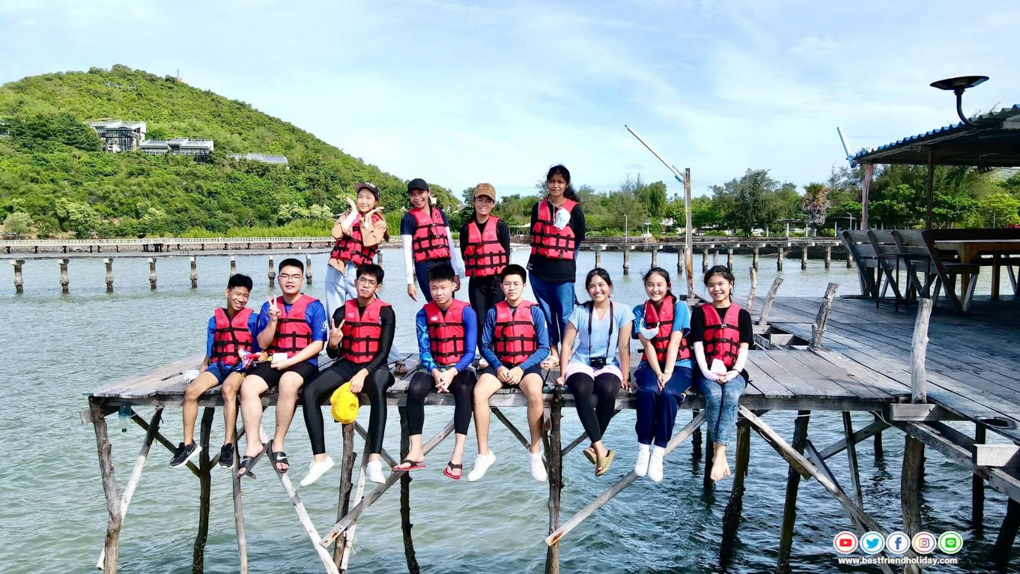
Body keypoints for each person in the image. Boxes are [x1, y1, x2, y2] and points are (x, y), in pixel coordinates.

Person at [299, 264, 395, 486]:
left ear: (378, 287)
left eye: (371, 282)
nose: (365, 285)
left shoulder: (386, 312)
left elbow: (384, 352)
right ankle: (320, 458)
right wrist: (333, 343)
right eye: (362, 280)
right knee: (309, 392)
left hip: (375, 367)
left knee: (377, 389)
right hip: (348, 363)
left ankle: (374, 461)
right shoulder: (341, 312)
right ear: (355, 282)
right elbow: (333, 354)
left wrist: (363, 373)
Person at [236, 258, 327, 478]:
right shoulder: (269, 306)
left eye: (295, 277)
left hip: (303, 361)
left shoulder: (314, 307)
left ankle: (278, 443)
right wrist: (273, 321)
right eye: (285, 276)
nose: (290, 281)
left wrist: (290, 362)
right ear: (278, 279)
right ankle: (253, 444)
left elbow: (318, 344)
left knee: (288, 382)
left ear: (302, 280)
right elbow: (262, 344)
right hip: (274, 358)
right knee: (248, 386)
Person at [468, 264, 550, 482]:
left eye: (516, 284)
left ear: (524, 286)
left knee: (535, 392)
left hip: (526, 366)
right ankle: (484, 453)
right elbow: (485, 345)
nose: (511, 288)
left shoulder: (535, 312)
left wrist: (521, 368)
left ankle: (535, 452)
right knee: (479, 392)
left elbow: (544, 348)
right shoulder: (493, 312)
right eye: (507, 284)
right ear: (502, 287)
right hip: (501, 364)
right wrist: (499, 367)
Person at [171, 273, 258, 469]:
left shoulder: (253, 319)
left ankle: (228, 445)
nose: (241, 299)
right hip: (218, 366)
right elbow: (210, 352)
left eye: (245, 296)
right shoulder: (214, 321)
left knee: (228, 390)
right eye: (237, 294)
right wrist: (201, 371)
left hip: (241, 367)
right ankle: (188, 444)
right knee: (191, 391)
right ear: (227, 292)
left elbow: (259, 347)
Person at [401, 263, 477, 479]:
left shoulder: (467, 312)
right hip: (433, 366)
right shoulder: (423, 314)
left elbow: (470, 352)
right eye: (434, 288)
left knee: (464, 389)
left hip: (460, 367)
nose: (439, 293)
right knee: (415, 389)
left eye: (443, 287)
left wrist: (452, 372)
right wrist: (435, 372)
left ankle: (457, 454)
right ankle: (416, 450)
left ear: (454, 285)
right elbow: (424, 350)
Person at [327, 182, 407, 375]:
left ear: (375, 201)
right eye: (360, 196)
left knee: (374, 314)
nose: (363, 201)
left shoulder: (379, 222)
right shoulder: (347, 215)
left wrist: (365, 221)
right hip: (337, 266)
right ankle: (340, 354)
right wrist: (353, 215)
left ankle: (395, 358)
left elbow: (369, 240)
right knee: (335, 314)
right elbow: (336, 233)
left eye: (368, 197)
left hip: (359, 272)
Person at [557, 268, 631, 477]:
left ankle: (593, 446)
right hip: (581, 361)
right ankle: (600, 448)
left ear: (609, 286)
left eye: (601, 285)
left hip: (608, 363)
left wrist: (625, 376)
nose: (597, 290)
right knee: (581, 388)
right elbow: (567, 344)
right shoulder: (580, 312)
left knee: (608, 389)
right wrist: (562, 373)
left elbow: (624, 347)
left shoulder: (622, 311)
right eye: (592, 286)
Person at [690, 265, 752, 482]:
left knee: (731, 395)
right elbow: (698, 347)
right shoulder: (700, 313)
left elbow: (743, 348)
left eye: (721, 284)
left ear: (730, 284)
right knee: (715, 396)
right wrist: (707, 373)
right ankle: (720, 452)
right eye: (711, 285)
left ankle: (719, 453)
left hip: (734, 372)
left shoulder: (742, 315)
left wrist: (735, 372)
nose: (716, 289)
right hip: (706, 372)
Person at [631, 267, 692, 482]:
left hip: (680, 365)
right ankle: (643, 448)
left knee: (667, 394)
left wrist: (667, 372)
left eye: (659, 285)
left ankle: (658, 452)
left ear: (668, 286)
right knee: (648, 390)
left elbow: (675, 340)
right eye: (650, 285)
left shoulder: (680, 307)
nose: (655, 289)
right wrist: (658, 372)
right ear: (645, 287)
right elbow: (647, 344)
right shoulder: (639, 311)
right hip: (650, 364)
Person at [528, 165, 585, 370]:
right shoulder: (538, 207)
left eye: (560, 182)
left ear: (566, 184)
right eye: (552, 181)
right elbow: (534, 235)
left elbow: (577, 241)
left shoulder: (575, 210)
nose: (555, 185)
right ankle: (553, 352)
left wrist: (567, 263)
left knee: (565, 315)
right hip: (538, 270)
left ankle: (567, 353)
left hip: (563, 272)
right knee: (546, 314)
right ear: (547, 183)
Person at [459, 182, 510, 367]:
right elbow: (464, 253)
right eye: (480, 199)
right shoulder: (466, 229)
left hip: (497, 280)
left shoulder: (500, 226)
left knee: (496, 317)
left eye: (488, 201)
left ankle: (499, 352)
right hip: (477, 281)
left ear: (493, 204)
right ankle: (483, 353)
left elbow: (506, 255)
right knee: (480, 319)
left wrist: (506, 282)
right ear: (474, 201)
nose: (483, 204)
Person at [401, 177, 465, 302]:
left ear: (428, 193)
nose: (417, 197)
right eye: (413, 194)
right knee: (433, 302)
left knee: (448, 302)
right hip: (425, 266)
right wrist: (410, 282)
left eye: (420, 193)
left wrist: (456, 273)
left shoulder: (441, 214)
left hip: (445, 263)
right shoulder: (408, 219)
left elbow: (449, 245)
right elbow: (407, 252)